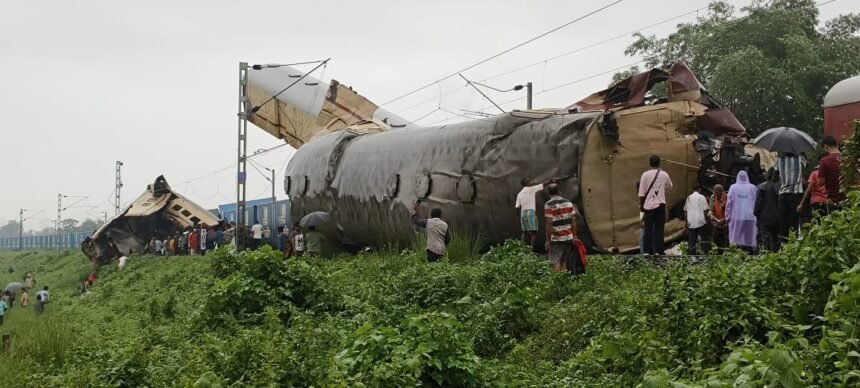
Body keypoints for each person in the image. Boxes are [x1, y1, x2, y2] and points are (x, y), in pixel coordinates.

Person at [638, 155, 673, 255]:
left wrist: (641, 209)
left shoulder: (645, 175)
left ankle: (647, 251)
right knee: (659, 229)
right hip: (660, 205)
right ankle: (658, 250)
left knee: (648, 229)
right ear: (659, 163)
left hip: (648, 206)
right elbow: (670, 186)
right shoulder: (664, 174)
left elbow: (641, 193)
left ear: (650, 163)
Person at [543, 183, 581, 273]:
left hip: (556, 239)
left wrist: (547, 240)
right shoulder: (568, 203)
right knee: (564, 261)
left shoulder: (548, 204)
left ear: (549, 193)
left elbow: (549, 223)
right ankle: (563, 283)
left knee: (555, 262)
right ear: (560, 191)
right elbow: (574, 220)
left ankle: (558, 284)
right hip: (568, 237)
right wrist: (574, 236)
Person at [775, 152, 806, 242]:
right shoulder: (800, 158)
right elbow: (806, 166)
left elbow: (775, 177)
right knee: (794, 221)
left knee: (783, 222)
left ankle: (784, 245)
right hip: (795, 194)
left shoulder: (779, 160)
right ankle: (793, 243)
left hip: (783, 194)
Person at [727, 170, 758, 252]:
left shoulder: (733, 187)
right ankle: (750, 255)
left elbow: (729, 204)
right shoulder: (753, 187)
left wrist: (727, 216)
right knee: (749, 237)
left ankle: (737, 255)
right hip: (750, 217)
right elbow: (757, 202)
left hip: (736, 217)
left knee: (736, 237)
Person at [755, 169, 781, 252]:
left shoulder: (762, 187)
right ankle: (776, 258)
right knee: (777, 240)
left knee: (764, 240)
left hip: (764, 217)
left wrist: (756, 214)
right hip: (778, 218)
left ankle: (763, 258)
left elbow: (758, 204)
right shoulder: (782, 187)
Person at [515, 178, 544, 250]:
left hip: (523, 213)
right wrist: (550, 181)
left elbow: (516, 206)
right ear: (527, 183)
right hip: (530, 212)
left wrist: (517, 216)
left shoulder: (520, 194)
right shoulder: (531, 189)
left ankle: (522, 248)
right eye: (529, 181)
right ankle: (531, 249)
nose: (531, 182)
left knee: (524, 232)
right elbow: (542, 185)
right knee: (534, 232)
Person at [818, 135, 844, 209]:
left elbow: (820, 182)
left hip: (833, 198)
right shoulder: (847, 157)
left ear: (826, 147)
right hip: (849, 197)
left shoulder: (824, 160)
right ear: (837, 145)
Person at [684, 183, 711, 255]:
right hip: (701, 221)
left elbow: (685, 211)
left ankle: (691, 257)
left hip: (691, 222)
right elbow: (705, 211)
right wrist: (708, 222)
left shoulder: (689, 198)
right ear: (699, 189)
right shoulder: (702, 197)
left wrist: (686, 223)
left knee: (692, 241)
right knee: (704, 240)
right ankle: (707, 255)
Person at [709, 184, 728, 250]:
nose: (716, 194)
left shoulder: (728, 197)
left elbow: (732, 212)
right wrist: (711, 215)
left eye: (717, 193)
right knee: (715, 240)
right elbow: (711, 209)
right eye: (715, 192)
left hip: (726, 224)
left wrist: (725, 219)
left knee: (726, 241)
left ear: (722, 191)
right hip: (716, 223)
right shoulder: (713, 197)